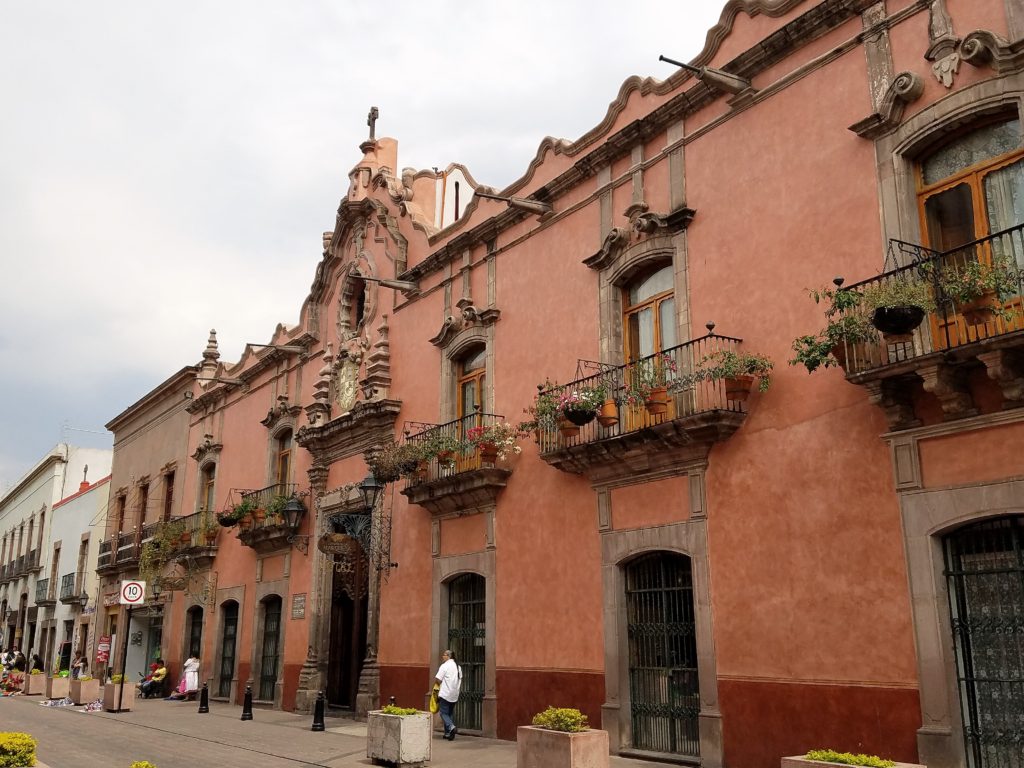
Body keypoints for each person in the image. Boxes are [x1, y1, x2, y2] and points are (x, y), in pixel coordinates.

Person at [433, 649, 462, 741]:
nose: (443, 656)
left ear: (448, 656)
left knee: (443, 713)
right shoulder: (458, 667)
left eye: (444, 655)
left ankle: (451, 727)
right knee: (449, 713)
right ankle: (447, 733)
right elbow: (459, 679)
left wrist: (439, 685)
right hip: (454, 694)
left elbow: (438, 679)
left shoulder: (444, 666)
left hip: (445, 693)